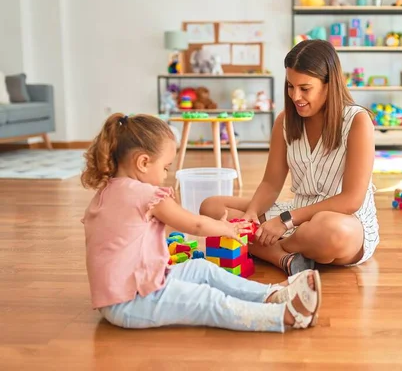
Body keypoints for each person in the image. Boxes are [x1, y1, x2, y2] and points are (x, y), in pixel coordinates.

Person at [80, 113, 322, 332]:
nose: (166, 175)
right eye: (165, 167)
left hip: (122, 295)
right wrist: (228, 228)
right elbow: (195, 225)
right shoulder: (146, 196)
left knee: (201, 268)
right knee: (207, 300)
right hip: (132, 301)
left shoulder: (106, 193)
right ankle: (284, 315)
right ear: (143, 162)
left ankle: (271, 294)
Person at [200, 39, 379, 276]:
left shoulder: (358, 121)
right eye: (290, 86)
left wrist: (285, 221)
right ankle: (285, 258)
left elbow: (351, 200)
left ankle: (270, 249)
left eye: (305, 88)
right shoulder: (285, 121)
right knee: (211, 207)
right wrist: (252, 213)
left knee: (331, 230)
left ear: (329, 84)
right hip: (296, 215)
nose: (296, 96)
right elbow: (271, 183)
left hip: (343, 223)